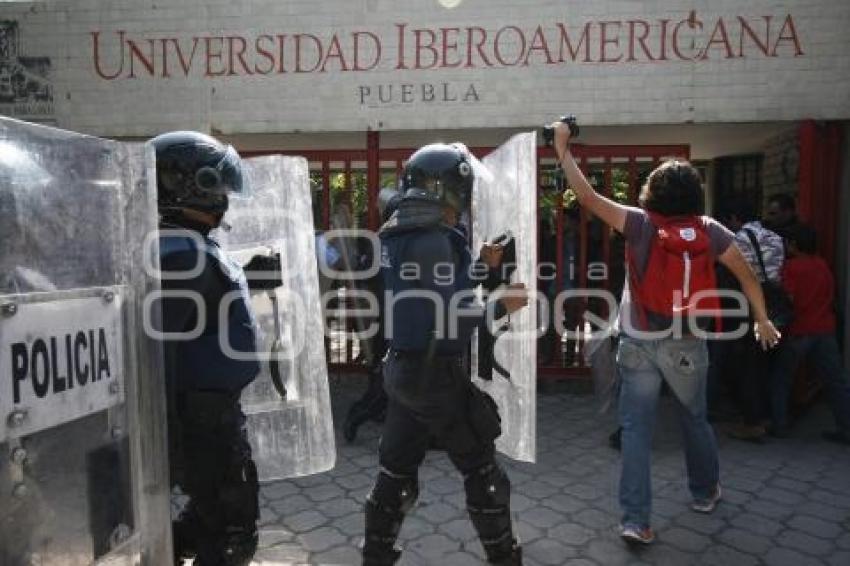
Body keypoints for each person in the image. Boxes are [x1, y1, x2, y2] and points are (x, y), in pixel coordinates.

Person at [552, 122, 780, 545]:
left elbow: (584, 196)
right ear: (694, 193)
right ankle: (705, 492)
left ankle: (636, 521)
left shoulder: (637, 223)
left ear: (652, 193)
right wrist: (762, 318)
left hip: (639, 340)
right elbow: (747, 274)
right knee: (694, 417)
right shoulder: (710, 230)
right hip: (688, 342)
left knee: (636, 429)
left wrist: (562, 147)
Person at [362, 143, 528, 565]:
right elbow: (450, 317)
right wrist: (501, 305)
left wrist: (479, 267)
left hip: (403, 370)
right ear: (449, 190)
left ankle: (375, 555)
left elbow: (433, 294)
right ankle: (504, 558)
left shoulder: (404, 232)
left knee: (396, 471)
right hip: (435, 376)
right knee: (483, 472)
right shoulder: (433, 238)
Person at [152, 131, 270, 565]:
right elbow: (157, 353)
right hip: (202, 422)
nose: (223, 196)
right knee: (231, 536)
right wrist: (172, 442)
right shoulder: (181, 254)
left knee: (206, 521)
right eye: (214, 184)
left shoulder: (186, 245)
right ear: (184, 186)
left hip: (210, 417)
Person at [770, 225, 850, 443]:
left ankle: (779, 424)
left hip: (800, 330)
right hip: (824, 329)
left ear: (794, 245)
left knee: (781, 378)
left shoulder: (791, 267)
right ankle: (846, 427)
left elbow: (790, 300)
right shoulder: (823, 265)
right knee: (835, 381)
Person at [719, 199, 786, 441]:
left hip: (748, 305)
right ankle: (769, 417)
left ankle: (752, 421)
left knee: (746, 365)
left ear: (735, 219)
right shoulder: (775, 237)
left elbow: (733, 274)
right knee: (767, 363)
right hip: (775, 305)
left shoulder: (737, 239)